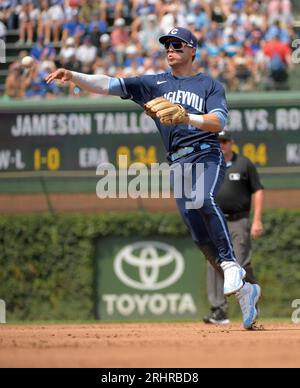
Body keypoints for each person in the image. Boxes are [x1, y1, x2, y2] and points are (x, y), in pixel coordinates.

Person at [46, 26, 262, 330]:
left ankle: (230, 265)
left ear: (192, 51)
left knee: (203, 198)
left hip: (205, 153)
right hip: (177, 163)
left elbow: (219, 122)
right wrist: (76, 76)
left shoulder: (208, 85)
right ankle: (245, 292)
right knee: (200, 238)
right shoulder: (153, 83)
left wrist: (187, 117)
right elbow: (110, 84)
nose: (170, 49)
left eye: (177, 44)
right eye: (167, 45)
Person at [203, 131, 264, 325]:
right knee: (214, 263)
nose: (221, 144)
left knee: (242, 262)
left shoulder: (244, 164)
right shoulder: (210, 164)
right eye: (218, 141)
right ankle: (219, 311)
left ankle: (252, 305)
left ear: (231, 143)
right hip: (217, 222)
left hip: (239, 220)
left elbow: (258, 190)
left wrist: (257, 220)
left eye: (224, 141)